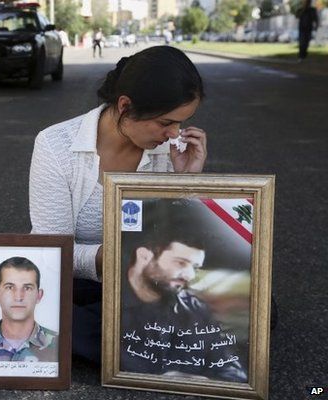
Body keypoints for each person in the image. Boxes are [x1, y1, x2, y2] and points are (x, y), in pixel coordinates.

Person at [28, 46, 208, 362]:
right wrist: (109, 258)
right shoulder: (57, 146)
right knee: (48, 311)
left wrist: (187, 182)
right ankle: (152, 345)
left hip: (145, 283)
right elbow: (50, 250)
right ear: (125, 105)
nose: (174, 134)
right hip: (85, 282)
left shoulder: (170, 151)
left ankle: (134, 344)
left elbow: (178, 240)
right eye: (166, 122)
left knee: (258, 306)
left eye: (181, 123)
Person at [119, 215, 247, 382]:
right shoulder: (107, 302)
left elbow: (231, 368)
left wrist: (205, 383)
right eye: (180, 263)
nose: (189, 275)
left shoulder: (196, 309)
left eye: (195, 267)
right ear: (144, 256)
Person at [0, 257, 58, 362]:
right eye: (9, 287)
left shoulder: (60, 345)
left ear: (39, 296)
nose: (18, 297)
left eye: (27, 288)